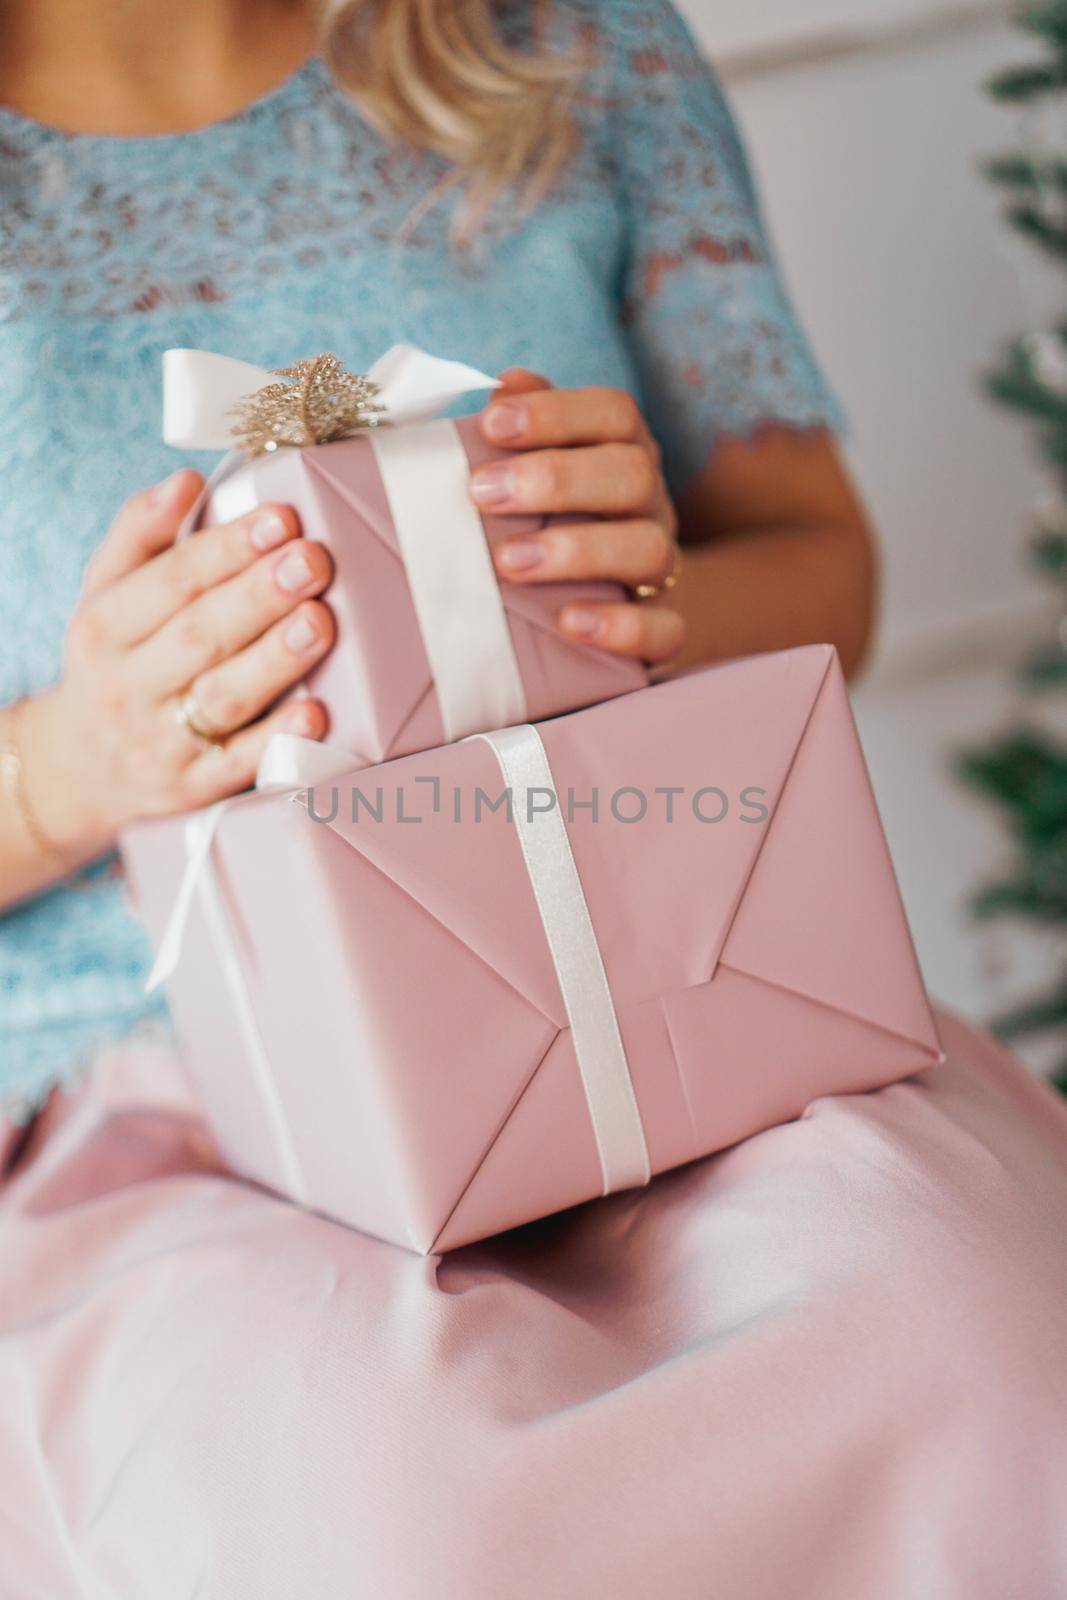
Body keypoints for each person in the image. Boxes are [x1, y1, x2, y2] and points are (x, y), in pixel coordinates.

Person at [0, 3, 1064, 1595]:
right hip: (168, 1108)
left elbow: (825, 573)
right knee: (406, 1514)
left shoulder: (580, 45)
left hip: (657, 990)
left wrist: (646, 601)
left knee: (970, 1331)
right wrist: (74, 764)